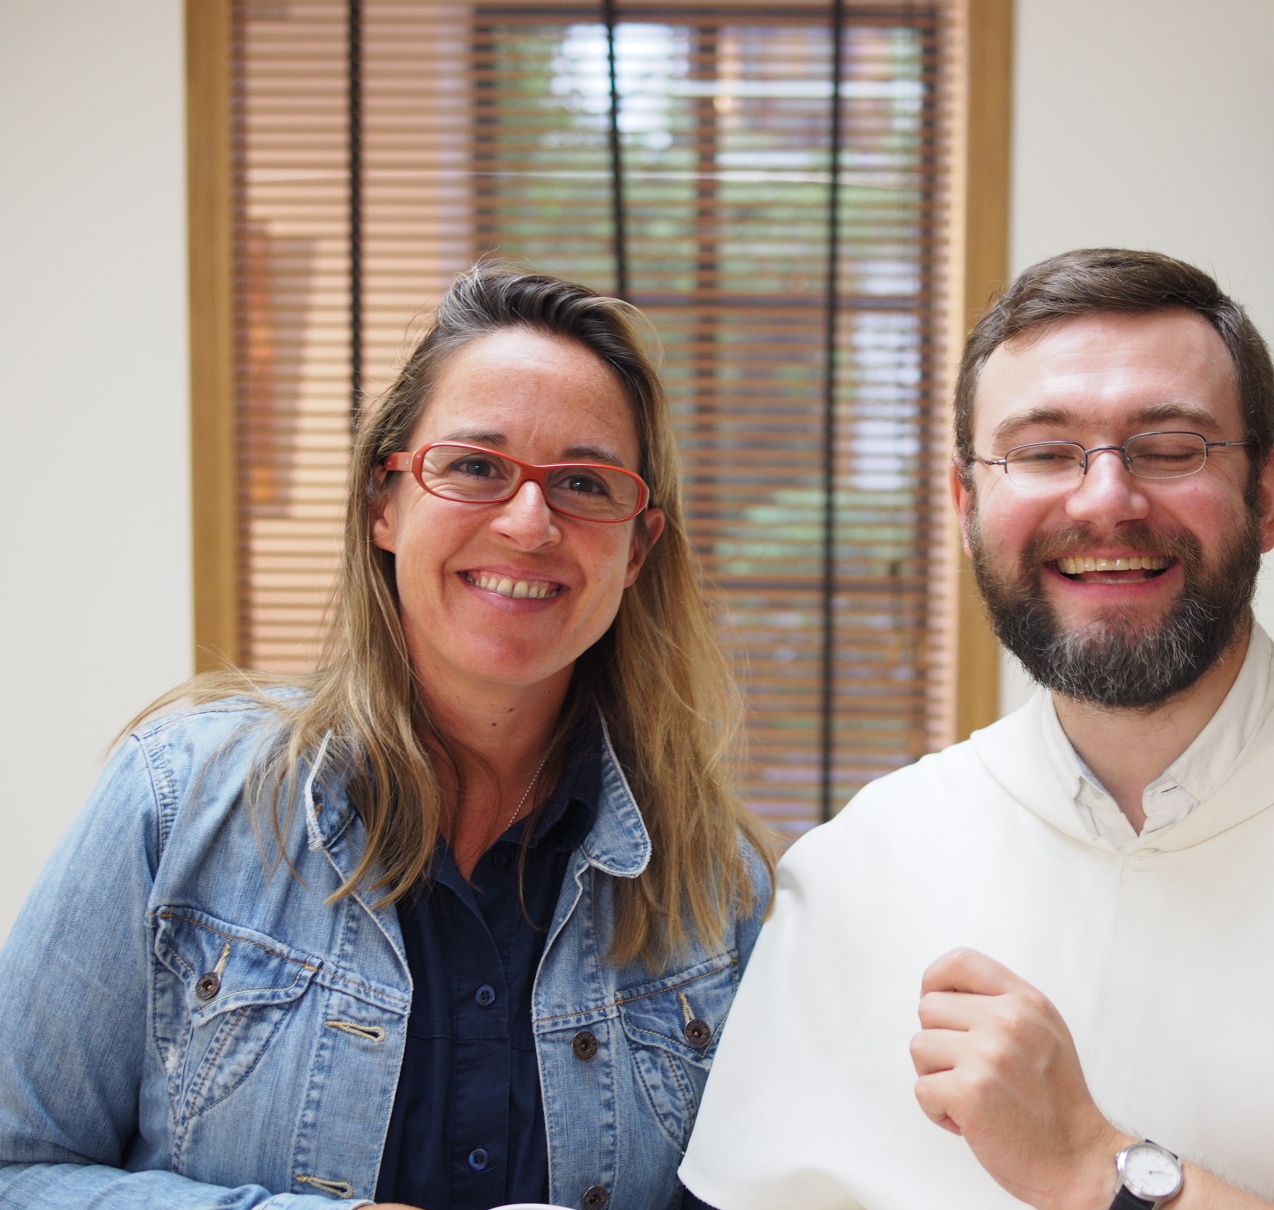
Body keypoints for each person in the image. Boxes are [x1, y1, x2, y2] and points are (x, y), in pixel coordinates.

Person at [679, 249, 1274, 1210]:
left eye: (1169, 448)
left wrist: (1095, 1168)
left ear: (1265, 498)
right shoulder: (860, 870)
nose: (1104, 500)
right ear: (966, 508)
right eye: (1043, 453)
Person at [0, 263, 773, 1210]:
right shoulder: (176, 799)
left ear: (636, 550)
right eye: (475, 466)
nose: (529, 522)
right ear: (383, 503)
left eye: (583, 482)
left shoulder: (719, 888)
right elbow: (14, 1167)